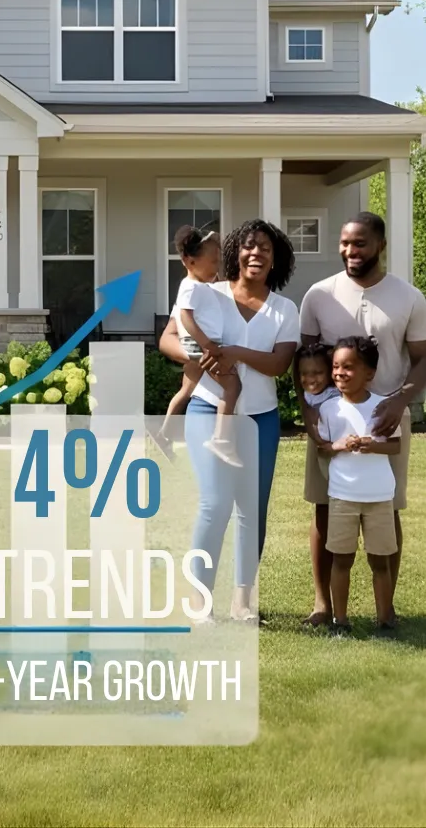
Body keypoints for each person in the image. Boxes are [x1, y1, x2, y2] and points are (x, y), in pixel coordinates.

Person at [297, 211, 426, 630]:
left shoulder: (408, 297)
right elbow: (305, 361)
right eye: (345, 243)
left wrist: (400, 402)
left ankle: (385, 611)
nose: (350, 251)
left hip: (386, 420)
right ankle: (323, 605)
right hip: (330, 418)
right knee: (325, 507)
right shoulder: (319, 295)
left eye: (359, 243)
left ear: (380, 246)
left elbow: (424, 358)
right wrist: (308, 412)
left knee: (387, 508)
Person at [177, 219, 299, 620]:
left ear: (275, 258)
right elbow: (168, 338)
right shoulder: (208, 292)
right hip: (207, 409)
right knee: (214, 503)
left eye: (265, 247)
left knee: (252, 509)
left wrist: (234, 353)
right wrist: (201, 356)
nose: (256, 253)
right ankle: (200, 601)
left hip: (260, 418)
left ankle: (242, 601)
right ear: (235, 253)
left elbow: (280, 364)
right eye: (248, 245)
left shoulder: (285, 309)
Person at [314, 336, 402, 638]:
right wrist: (338, 445)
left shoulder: (383, 406)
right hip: (342, 496)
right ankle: (340, 621)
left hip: (379, 497)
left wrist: (372, 445)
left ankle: (385, 620)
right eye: (336, 366)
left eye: (348, 367)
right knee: (342, 560)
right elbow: (323, 448)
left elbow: (395, 446)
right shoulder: (329, 409)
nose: (340, 373)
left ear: (370, 373)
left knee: (380, 561)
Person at [161, 226, 242, 465]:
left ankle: (163, 433)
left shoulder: (201, 286)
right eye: (213, 262)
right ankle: (221, 438)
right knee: (232, 385)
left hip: (198, 347)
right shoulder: (190, 287)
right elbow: (185, 317)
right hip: (201, 347)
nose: (217, 267)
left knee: (187, 390)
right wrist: (206, 346)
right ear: (190, 261)